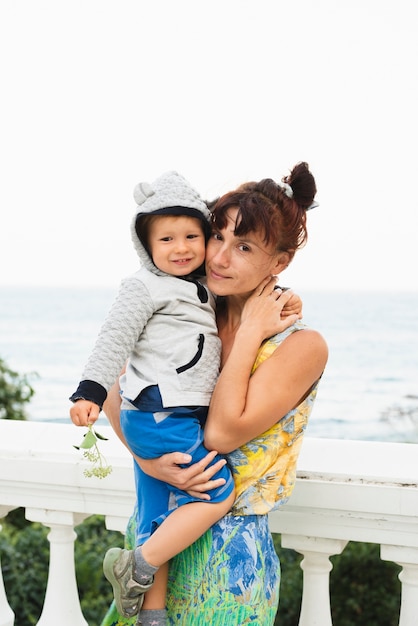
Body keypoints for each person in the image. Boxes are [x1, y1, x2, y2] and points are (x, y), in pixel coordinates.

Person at [69, 170, 302, 624]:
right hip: (158, 551)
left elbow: (220, 433)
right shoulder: (190, 311)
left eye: (245, 247)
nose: (217, 256)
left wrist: (255, 328)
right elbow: (121, 388)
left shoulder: (297, 344)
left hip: (228, 568)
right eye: (217, 236)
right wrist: (149, 459)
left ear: (280, 261)